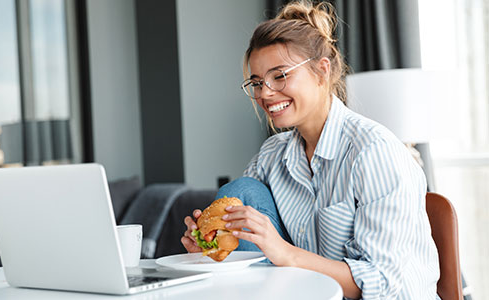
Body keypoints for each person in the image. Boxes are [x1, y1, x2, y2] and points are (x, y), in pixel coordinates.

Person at [181, 1, 440, 299]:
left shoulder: (374, 152)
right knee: (242, 191)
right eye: (256, 82)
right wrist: (210, 246)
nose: (265, 93)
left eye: (279, 76)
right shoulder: (271, 156)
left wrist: (285, 253)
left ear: (321, 71)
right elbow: (249, 252)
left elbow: (380, 283)